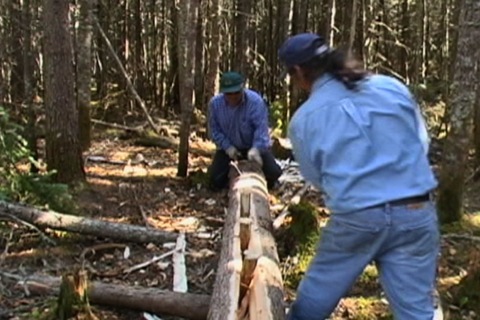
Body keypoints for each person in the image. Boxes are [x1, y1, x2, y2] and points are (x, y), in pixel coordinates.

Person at [279, 33, 440, 320]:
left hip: (357, 218)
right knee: (417, 312)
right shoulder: (391, 87)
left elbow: (316, 177)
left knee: (311, 304)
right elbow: (421, 142)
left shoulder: (304, 119)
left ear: (299, 72)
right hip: (417, 210)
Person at [207, 71, 282, 190]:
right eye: (229, 94)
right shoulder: (215, 105)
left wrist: (256, 149)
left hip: (252, 146)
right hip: (229, 148)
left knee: (273, 172)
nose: (233, 97)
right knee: (215, 180)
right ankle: (232, 182)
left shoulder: (255, 102)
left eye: (236, 93)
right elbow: (215, 130)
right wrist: (227, 147)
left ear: (242, 89)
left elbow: (261, 129)